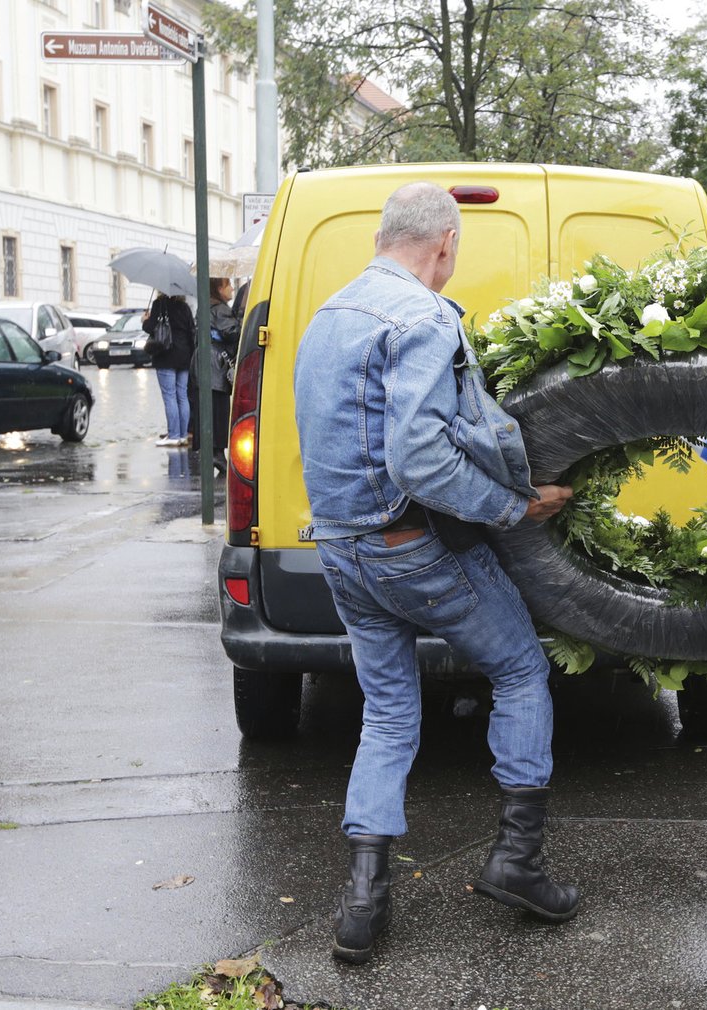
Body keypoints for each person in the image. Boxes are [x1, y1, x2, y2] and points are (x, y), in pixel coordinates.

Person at [292, 181, 579, 965]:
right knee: (520, 670)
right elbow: (418, 455)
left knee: (387, 709)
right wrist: (510, 506)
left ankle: (362, 906)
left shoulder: (328, 315)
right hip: (409, 544)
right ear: (444, 243)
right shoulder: (421, 317)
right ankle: (518, 862)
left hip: (342, 548)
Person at [189, 277, 239, 471]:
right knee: (218, 411)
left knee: (207, 410)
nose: (232, 289)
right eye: (229, 285)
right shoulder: (221, 309)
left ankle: (210, 453)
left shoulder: (204, 307)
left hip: (202, 364)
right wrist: (242, 321)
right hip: (216, 366)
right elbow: (232, 332)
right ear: (219, 288)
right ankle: (217, 455)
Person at [141, 293, 194, 447]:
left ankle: (174, 435)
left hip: (165, 355)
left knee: (170, 396)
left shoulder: (160, 304)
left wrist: (145, 320)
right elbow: (191, 331)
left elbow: (150, 328)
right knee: (182, 396)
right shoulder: (185, 307)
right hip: (184, 356)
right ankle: (183, 435)